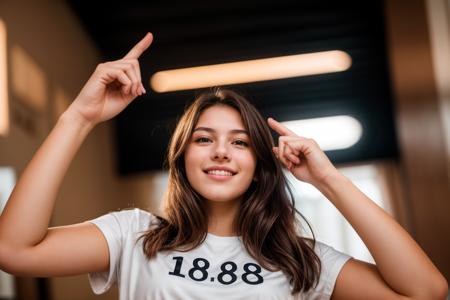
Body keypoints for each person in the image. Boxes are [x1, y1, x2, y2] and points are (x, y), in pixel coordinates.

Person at [0, 32, 447, 300]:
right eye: (203, 139)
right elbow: (15, 251)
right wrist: (78, 117)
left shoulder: (299, 260)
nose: (220, 152)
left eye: (239, 142)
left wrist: (329, 180)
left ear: (260, 164)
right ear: (183, 158)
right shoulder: (132, 237)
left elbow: (427, 292)